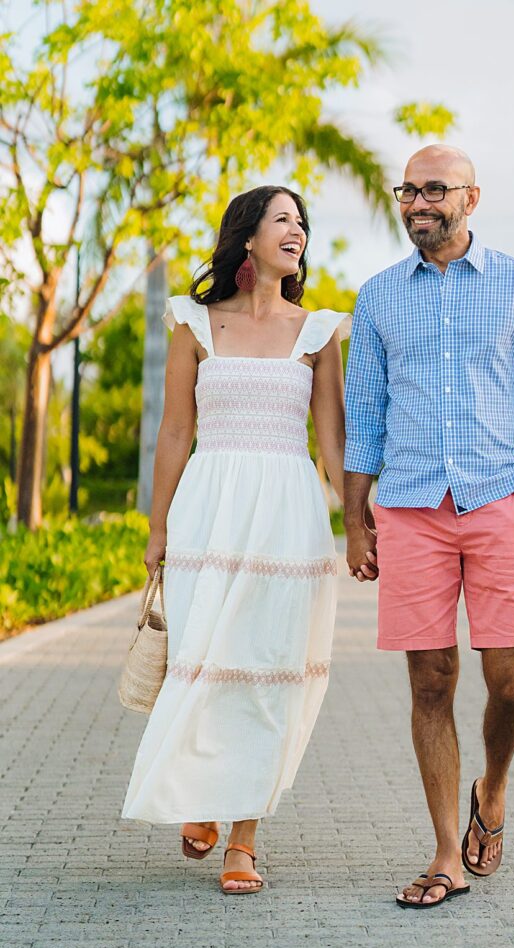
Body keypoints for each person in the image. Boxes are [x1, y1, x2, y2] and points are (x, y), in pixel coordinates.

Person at [343, 145, 514, 909]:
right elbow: (365, 417)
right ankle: (446, 851)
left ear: (470, 199)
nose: (417, 202)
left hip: (497, 503)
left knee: (508, 683)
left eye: (433, 189)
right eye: (407, 190)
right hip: (409, 508)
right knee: (430, 680)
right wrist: (354, 518)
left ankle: (495, 785)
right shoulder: (377, 297)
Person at [122, 185, 349, 894]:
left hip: (288, 517)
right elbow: (174, 431)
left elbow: (332, 443)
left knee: (263, 669)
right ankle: (201, 797)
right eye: (283, 219)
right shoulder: (193, 322)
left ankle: (243, 838)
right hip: (207, 512)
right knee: (203, 658)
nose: (298, 231)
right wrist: (157, 527)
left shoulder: (318, 331)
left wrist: (364, 524)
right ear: (246, 236)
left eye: (302, 222)